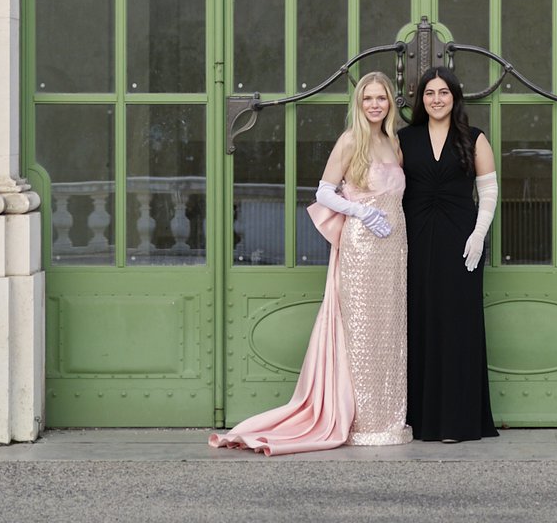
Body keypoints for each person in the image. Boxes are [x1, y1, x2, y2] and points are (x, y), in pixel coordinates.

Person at [213, 71, 408, 453]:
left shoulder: (394, 142)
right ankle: (361, 422)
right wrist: (360, 211)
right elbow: (323, 192)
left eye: (381, 98)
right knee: (361, 332)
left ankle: (387, 420)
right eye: (368, 98)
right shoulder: (351, 140)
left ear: (390, 103)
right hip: (362, 248)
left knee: (389, 331)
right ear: (359, 103)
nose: (374, 105)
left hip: (394, 248)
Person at [400, 65, 498, 444]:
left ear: (455, 97)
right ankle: (420, 420)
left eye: (443, 92)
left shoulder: (474, 138)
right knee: (420, 322)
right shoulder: (404, 139)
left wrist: (478, 235)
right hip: (415, 240)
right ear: (421, 99)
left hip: (462, 241)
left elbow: (488, 191)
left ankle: (458, 422)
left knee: (458, 326)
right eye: (429, 93)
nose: (436, 99)